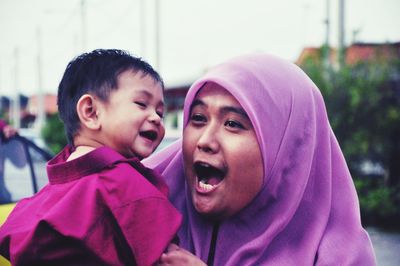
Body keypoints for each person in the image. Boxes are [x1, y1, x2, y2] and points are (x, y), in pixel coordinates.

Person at [144, 53, 377, 265]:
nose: (205, 140)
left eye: (233, 124)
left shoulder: (339, 256)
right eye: (198, 118)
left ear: (286, 150)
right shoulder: (138, 210)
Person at [0, 49, 181, 265]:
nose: (156, 118)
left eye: (160, 113)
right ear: (91, 112)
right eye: (142, 104)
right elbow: (167, 259)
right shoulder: (128, 187)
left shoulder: (41, 200)